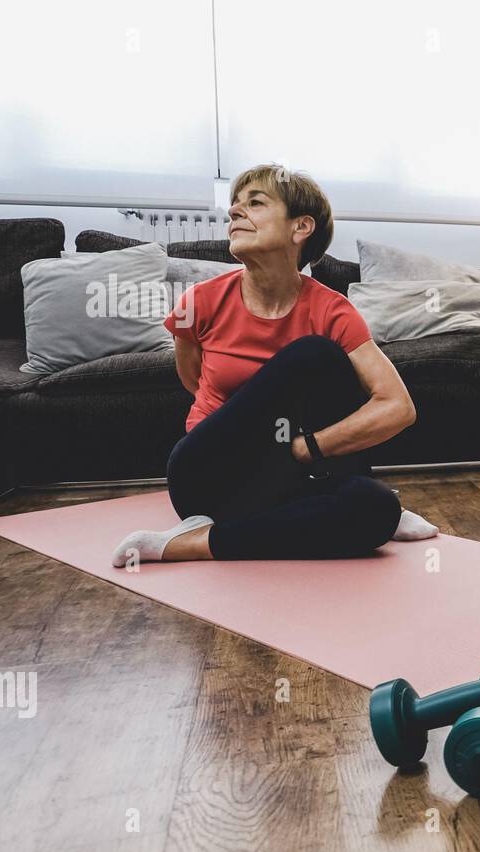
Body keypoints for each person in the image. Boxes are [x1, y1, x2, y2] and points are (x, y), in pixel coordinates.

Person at [112, 164, 436, 567]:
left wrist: (304, 448)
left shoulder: (332, 309)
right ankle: (288, 515)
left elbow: (398, 407)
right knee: (311, 354)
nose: (234, 212)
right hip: (208, 471)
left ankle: (194, 542)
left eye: (255, 203)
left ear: (301, 228)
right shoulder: (198, 302)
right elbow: (192, 380)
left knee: (377, 508)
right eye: (234, 205)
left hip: (292, 474)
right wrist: (253, 424)